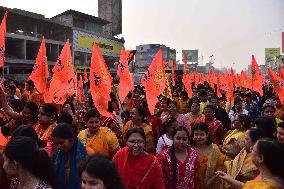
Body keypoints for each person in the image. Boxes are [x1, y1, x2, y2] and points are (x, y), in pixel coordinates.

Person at [52, 123, 87, 189]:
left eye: (61, 143)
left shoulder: (81, 153)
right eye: (56, 144)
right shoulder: (60, 152)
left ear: (71, 139)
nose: (59, 146)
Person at [191, 122, 223, 189]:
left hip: (210, 184)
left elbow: (220, 167)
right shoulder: (190, 149)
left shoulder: (214, 149)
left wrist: (211, 180)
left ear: (207, 135)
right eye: (196, 134)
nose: (198, 137)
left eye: (202, 134)